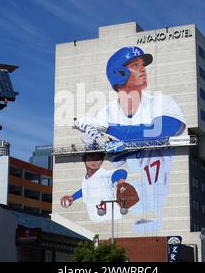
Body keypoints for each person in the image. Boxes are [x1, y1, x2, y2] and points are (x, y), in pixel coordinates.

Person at [74, 46, 186, 233]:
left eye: (143, 65)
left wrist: (111, 131)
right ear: (119, 73)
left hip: (165, 193)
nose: (143, 69)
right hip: (128, 202)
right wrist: (92, 140)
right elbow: (111, 161)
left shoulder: (162, 101)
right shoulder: (105, 114)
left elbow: (163, 131)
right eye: (135, 65)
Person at [60, 152, 130, 223]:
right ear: (84, 159)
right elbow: (86, 191)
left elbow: (121, 172)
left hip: (113, 218)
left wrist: (120, 184)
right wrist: (73, 197)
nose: (94, 161)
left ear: (102, 162)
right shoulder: (86, 178)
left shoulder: (104, 175)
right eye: (91, 157)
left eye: (98, 158)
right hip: (95, 221)